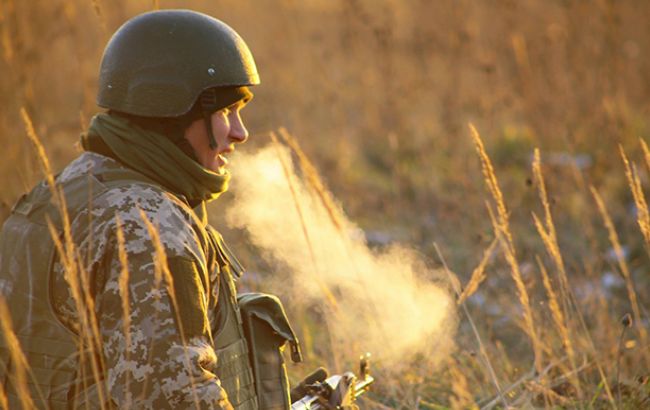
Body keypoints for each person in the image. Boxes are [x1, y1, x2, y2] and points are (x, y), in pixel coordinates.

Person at [0, 9, 293, 409]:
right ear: (170, 111)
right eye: (225, 112)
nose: (240, 133)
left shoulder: (66, 189)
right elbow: (176, 399)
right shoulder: (150, 229)